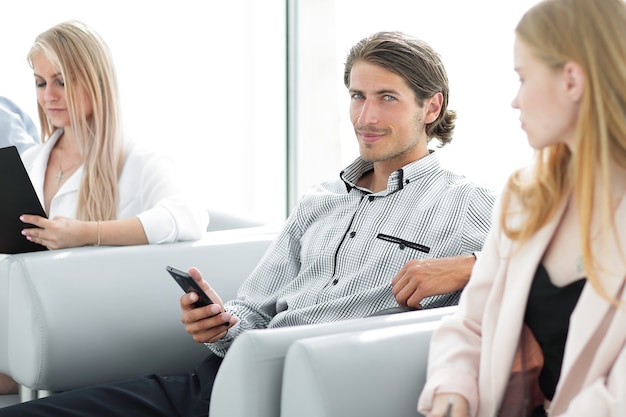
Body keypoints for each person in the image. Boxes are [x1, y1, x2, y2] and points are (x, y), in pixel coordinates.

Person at [0, 31, 495, 415]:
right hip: (220, 380)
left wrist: (474, 265)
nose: (364, 115)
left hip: (312, 392)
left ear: (432, 106)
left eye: (387, 97)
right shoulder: (321, 199)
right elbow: (253, 312)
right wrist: (217, 322)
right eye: (356, 95)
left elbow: (568, 258)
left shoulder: (466, 202)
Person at [417, 0, 626, 416]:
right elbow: (471, 324)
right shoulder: (523, 199)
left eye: (523, 78)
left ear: (571, 80)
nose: (515, 101)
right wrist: (453, 391)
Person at [0, 20, 208, 396]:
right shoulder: (30, 161)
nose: (49, 95)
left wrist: (87, 233)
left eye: (62, 81)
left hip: (81, 332)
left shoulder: (137, 160)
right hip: (24, 320)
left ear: (94, 81)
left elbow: (187, 217)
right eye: (41, 82)